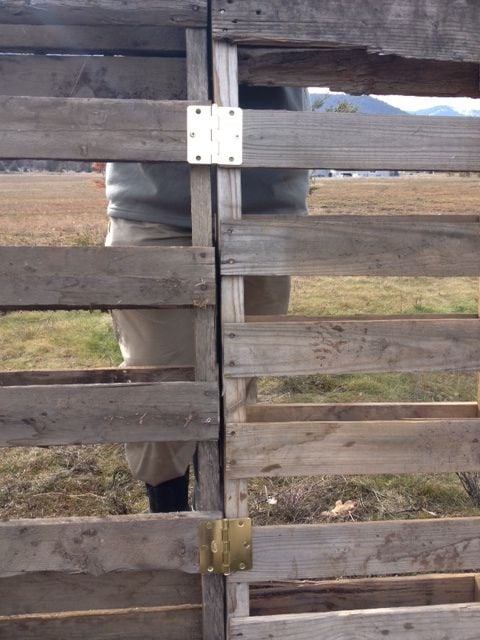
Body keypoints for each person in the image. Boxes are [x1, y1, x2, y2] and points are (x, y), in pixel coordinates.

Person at [105, 87, 310, 512]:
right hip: (155, 206)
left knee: (240, 386)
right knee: (160, 385)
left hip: (265, 206)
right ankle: (172, 530)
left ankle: (221, 531)